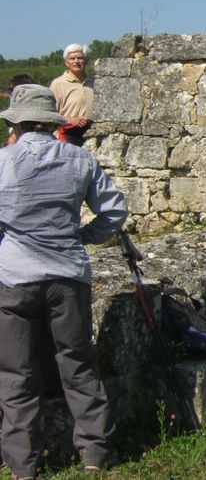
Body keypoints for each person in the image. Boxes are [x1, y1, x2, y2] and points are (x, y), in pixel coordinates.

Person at [0, 85, 127, 477]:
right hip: (68, 275)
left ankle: (23, 465)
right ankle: (94, 454)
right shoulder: (78, 159)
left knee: (16, 374)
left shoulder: (3, 161)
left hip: (13, 276)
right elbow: (114, 211)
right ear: (52, 122)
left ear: (16, 123)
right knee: (78, 365)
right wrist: (81, 237)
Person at [49, 43, 94, 147]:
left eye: (80, 58)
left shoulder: (95, 82)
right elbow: (49, 114)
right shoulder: (58, 84)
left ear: (86, 61)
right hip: (66, 139)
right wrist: (70, 119)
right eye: (72, 58)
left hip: (92, 138)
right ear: (66, 63)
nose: (76, 62)